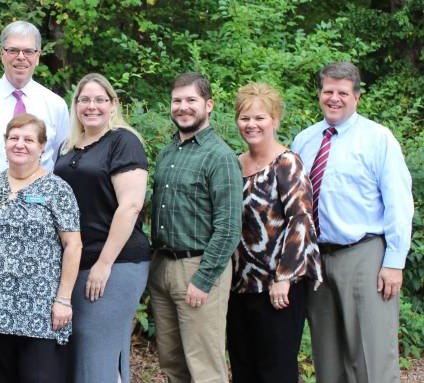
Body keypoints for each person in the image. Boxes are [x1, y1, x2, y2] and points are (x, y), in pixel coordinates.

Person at [292, 62, 413, 383]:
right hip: (316, 261)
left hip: (364, 256)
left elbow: (399, 203)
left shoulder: (377, 139)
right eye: (328, 91)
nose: (334, 98)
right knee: (328, 359)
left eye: (342, 92)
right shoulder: (304, 140)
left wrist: (394, 262)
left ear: (356, 97)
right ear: (319, 94)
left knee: (370, 358)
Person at [0, 113, 82, 382]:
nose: (20, 144)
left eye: (29, 139)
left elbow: (73, 245)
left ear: (42, 147)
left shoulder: (57, 189)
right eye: (14, 138)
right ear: (5, 143)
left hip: (39, 312)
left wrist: (63, 300)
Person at [54, 73, 150, 383]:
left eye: (100, 99)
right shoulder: (67, 148)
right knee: (82, 350)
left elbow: (131, 206)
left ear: (113, 105)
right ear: (76, 105)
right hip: (75, 262)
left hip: (116, 262)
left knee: (97, 351)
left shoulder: (123, 141)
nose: (91, 106)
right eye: (85, 99)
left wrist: (104, 263)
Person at [148, 72, 242, 383]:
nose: (183, 107)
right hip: (162, 266)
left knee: (205, 369)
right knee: (172, 363)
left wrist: (203, 279)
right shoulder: (168, 153)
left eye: (191, 100)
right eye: (177, 100)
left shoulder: (221, 156)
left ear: (209, 105)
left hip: (200, 267)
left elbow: (229, 226)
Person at [226, 83, 323, 383]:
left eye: (259, 118)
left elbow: (301, 220)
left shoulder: (287, 162)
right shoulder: (234, 164)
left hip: (279, 288)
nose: (251, 125)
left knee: (276, 372)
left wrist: (284, 277)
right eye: (245, 118)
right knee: (244, 370)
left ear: (275, 120)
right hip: (238, 287)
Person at [0, 20, 69, 187]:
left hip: (38, 202)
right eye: (13, 50)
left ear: (37, 57)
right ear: (2, 54)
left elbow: (59, 158)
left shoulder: (56, 105)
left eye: (28, 51)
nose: (21, 57)